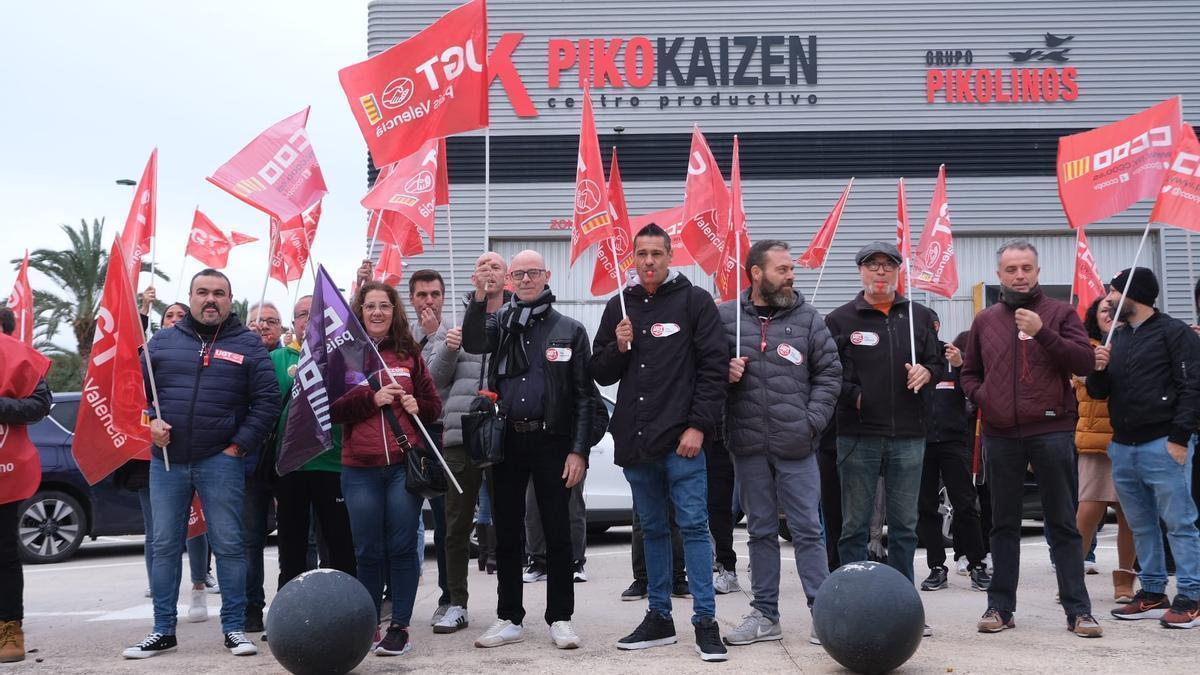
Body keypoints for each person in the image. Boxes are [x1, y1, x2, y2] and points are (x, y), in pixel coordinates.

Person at [123, 269, 280, 659]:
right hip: (167, 462)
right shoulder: (161, 341)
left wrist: (238, 448)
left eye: (219, 294)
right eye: (203, 292)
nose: (211, 300)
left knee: (229, 546)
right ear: (190, 297)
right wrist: (150, 424)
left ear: (231, 300)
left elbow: (267, 402)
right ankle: (162, 630)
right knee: (163, 546)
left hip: (221, 461)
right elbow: (135, 398)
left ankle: (233, 629)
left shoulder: (248, 344)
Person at [590, 223, 729, 662]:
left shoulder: (694, 301)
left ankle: (705, 622)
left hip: (683, 440)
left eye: (656, 253)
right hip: (637, 442)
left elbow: (714, 368)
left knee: (692, 527)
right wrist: (619, 345)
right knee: (650, 528)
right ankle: (659, 617)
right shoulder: (619, 305)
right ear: (632, 258)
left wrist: (698, 427)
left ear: (670, 257)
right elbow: (601, 371)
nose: (648, 261)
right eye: (641, 254)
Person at [960, 239, 1101, 638]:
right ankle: (1000, 608)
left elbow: (1085, 362)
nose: (1019, 275)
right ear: (999, 275)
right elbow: (969, 374)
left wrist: (1043, 334)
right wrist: (984, 397)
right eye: (1011, 269)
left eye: (1026, 268)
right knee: (1002, 524)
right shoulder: (985, 320)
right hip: (1001, 434)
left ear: (1037, 272)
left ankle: (1079, 611)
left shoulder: (1060, 313)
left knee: (1062, 524)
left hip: (1052, 429)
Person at [463, 250, 595, 651]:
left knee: (557, 533)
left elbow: (585, 398)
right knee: (505, 532)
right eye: (517, 274)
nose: (524, 279)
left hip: (553, 441)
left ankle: (560, 618)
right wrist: (479, 297)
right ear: (509, 280)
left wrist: (579, 451)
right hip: (507, 438)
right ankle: (509, 617)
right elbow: (472, 340)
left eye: (531, 273)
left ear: (546, 275)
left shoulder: (569, 329)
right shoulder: (500, 322)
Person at [718, 240, 841, 647]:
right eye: (783, 269)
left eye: (792, 269)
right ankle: (766, 615)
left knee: (808, 530)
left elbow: (829, 375)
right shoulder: (726, 318)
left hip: (798, 445)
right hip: (748, 444)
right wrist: (725, 373)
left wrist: (811, 424)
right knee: (760, 531)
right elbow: (704, 373)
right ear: (756, 273)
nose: (791, 276)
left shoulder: (809, 319)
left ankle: (823, 614)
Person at [823, 241, 940, 624]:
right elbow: (826, 373)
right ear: (860, 272)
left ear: (897, 271)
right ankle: (852, 606)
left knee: (905, 527)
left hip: (909, 434)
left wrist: (929, 372)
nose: (880, 272)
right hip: (857, 435)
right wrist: (854, 397)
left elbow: (937, 361)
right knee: (853, 526)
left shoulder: (920, 317)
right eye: (871, 265)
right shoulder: (840, 320)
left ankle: (903, 610)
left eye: (887, 265)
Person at [330, 281, 443, 657]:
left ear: (394, 312)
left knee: (401, 547)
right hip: (359, 468)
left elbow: (433, 406)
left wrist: (416, 404)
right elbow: (331, 410)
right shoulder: (344, 355)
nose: (377, 312)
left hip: (401, 466)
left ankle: (400, 627)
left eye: (384, 306)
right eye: (370, 306)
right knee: (367, 550)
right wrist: (370, 398)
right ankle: (369, 623)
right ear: (359, 311)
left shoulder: (410, 352)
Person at [1090, 268, 1200, 628]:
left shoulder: (1175, 333)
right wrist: (1099, 370)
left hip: (1164, 443)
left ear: (1131, 295)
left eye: (1113, 292)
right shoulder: (1118, 338)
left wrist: (1180, 438)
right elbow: (1098, 393)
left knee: (1180, 523)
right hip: (1123, 446)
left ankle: (1192, 596)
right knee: (1141, 524)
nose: (1107, 299)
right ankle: (1152, 591)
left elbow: (1192, 387)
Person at [271, 295, 356, 591]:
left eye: (315, 313)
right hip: (290, 466)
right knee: (292, 547)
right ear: (293, 323)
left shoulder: (342, 359)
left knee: (340, 544)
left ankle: (345, 607)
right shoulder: (276, 360)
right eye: (302, 314)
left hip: (333, 463)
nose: (308, 319)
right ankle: (289, 611)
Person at [917, 322, 991, 593]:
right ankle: (937, 567)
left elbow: (976, 394)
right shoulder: (911, 360)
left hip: (954, 442)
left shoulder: (954, 357)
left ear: (935, 327)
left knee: (966, 505)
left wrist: (960, 367)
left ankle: (977, 565)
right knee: (926, 507)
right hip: (919, 443)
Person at [1073, 297, 1136, 603]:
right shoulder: (1084, 349)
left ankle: (1125, 581)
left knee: (1130, 516)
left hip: (1130, 440)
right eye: (1103, 310)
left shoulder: (1136, 345)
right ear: (1093, 317)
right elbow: (1084, 384)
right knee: (1087, 512)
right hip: (1095, 444)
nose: (1109, 315)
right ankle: (1071, 578)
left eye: (1114, 310)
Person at [0, 307, 52, 663]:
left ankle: (9, 629)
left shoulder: (20, 358)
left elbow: (39, 404)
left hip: (4, 469)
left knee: (3, 553)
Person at [406, 269, 453, 626]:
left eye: (434, 294)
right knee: (402, 523)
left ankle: (449, 595)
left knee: (446, 523)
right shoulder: (401, 338)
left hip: (440, 436)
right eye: (422, 295)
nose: (428, 301)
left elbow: (437, 379)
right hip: (406, 437)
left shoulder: (452, 335)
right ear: (411, 298)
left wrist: (436, 336)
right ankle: (397, 596)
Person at [241, 301, 284, 634]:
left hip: (289, 462)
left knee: (300, 539)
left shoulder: (295, 361)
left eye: (271, 321)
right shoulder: (237, 359)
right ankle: (251, 607)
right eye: (257, 321)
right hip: (251, 463)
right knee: (250, 539)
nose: (264, 326)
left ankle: (290, 607)